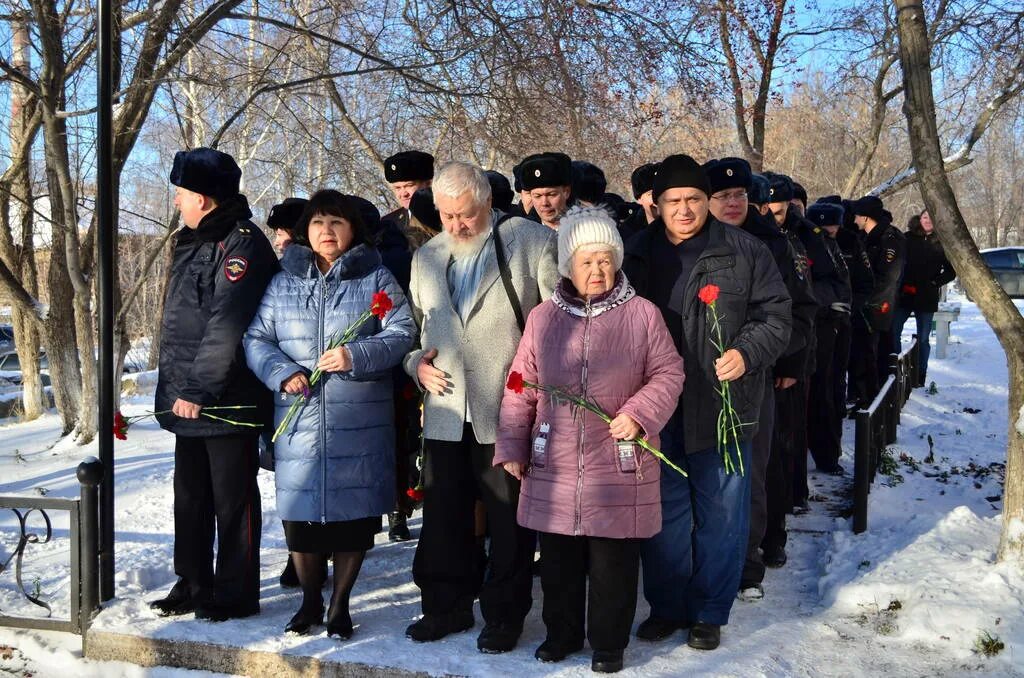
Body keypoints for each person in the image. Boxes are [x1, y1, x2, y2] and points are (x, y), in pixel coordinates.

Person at [494, 206, 684, 673]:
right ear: (567, 266)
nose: (597, 270)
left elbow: (668, 372)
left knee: (612, 564)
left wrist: (638, 415)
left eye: (605, 259)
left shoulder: (642, 315)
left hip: (618, 460)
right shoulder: (543, 319)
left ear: (617, 260)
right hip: (554, 463)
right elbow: (520, 384)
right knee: (557, 560)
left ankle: (608, 643)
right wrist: (513, 445)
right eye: (586, 261)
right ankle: (561, 635)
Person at [624, 154, 791, 651]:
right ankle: (667, 606)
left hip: (724, 403)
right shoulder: (634, 254)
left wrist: (747, 351)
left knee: (722, 512)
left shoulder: (745, 251)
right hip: (657, 406)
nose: (683, 209)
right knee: (664, 514)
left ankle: (709, 611)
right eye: (673, 200)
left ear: (708, 201)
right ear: (656, 204)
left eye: (694, 199)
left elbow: (777, 317)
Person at [244, 189, 416, 638]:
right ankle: (308, 601)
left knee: (353, 521)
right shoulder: (284, 281)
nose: (327, 231)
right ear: (306, 230)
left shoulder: (376, 277)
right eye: (319, 223)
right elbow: (256, 338)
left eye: (337, 223)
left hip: (358, 420)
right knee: (300, 518)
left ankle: (339, 605)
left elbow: (403, 332)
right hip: (299, 417)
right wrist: (283, 373)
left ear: (352, 230)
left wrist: (356, 355)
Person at [403, 161, 559, 652]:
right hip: (447, 411)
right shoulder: (426, 256)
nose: (455, 226)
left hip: (506, 407)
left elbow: (561, 324)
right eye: (447, 216)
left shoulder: (530, 241)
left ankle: (504, 616)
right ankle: (444, 607)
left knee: (507, 520)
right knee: (443, 516)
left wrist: (536, 385)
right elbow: (412, 331)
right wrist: (415, 365)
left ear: (488, 202)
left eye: (465, 215)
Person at [149, 147, 278, 622]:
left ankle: (236, 591)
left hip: (225, 400)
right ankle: (194, 581)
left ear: (203, 197)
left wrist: (199, 391)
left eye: (181, 194)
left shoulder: (241, 243)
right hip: (188, 397)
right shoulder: (191, 238)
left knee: (232, 501)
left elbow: (228, 323)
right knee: (191, 498)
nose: (177, 202)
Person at [703, 159, 816, 600]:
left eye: (739, 195)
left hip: (761, 374)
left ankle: (749, 559)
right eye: (722, 196)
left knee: (754, 468)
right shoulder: (692, 240)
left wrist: (787, 364)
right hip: (699, 377)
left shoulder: (774, 242)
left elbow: (800, 311)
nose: (732, 204)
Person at [806, 201, 855, 474]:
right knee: (823, 391)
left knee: (833, 388)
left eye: (833, 224)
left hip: (838, 322)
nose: (829, 229)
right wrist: (829, 304)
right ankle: (826, 454)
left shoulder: (834, 245)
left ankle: (830, 452)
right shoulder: (815, 245)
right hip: (822, 324)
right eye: (823, 225)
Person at [850, 195, 905, 405]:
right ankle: (866, 398)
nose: (854, 220)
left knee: (874, 355)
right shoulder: (865, 237)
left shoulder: (889, 239)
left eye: (857, 216)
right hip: (865, 305)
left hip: (877, 306)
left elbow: (888, 277)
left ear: (865, 217)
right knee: (864, 356)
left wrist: (868, 302)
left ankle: (875, 402)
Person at [893, 209, 955, 387]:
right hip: (905, 294)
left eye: (931, 218)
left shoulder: (941, 243)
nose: (928, 221)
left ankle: (920, 376)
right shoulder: (906, 239)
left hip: (927, 297)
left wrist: (935, 282)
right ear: (919, 219)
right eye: (925, 217)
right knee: (894, 331)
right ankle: (895, 369)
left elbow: (951, 271)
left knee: (923, 339)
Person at [382, 150, 436, 247]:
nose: (403, 194)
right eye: (397, 188)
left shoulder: (446, 215)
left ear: (428, 184)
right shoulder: (388, 224)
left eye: (409, 185)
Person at [518, 152, 573, 230]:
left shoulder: (586, 229)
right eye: (537, 196)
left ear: (566, 192)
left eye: (551, 194)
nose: (544, 203)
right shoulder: (521, 235)